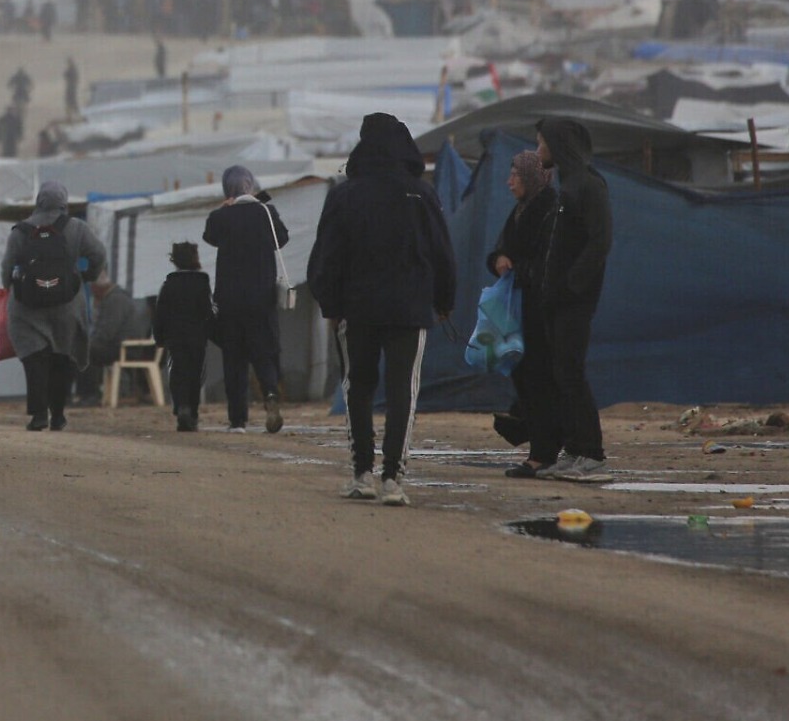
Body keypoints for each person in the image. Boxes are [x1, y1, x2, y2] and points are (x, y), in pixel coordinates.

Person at [307, 114, 456, 507]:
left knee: (358, 388)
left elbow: (327, 256)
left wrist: (331, 304)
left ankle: (362, 474)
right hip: (410, 309)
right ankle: (394, 478)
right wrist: (444, 301)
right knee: (402, 392)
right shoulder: (420, 195)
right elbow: (442, 253)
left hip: (358, 310)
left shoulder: (344, 194)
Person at [535, 117, 613, 481]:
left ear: (558, 145)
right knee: (560, 374)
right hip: (557, 300)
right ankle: (575, 448)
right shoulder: (566, 185)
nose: (538, 152)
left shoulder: (588, 185)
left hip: (574, 301)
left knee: (572, 372)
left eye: (541, 144)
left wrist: (572, 284)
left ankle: (593, 454)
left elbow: (600, 241)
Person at [0, 182, 106, 431]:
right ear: (64, 203)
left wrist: (10, 289)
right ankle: (58, 415)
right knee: (62, 358)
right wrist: (86, 276)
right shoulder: (77, 228)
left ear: (38, 202)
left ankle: (39, 415)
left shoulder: (20, 231)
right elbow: (99, 254)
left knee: (34, 359)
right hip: (67, 305)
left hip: (26, 307)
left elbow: (7, 267)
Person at [202, 165, 292, 434]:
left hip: (230, 300)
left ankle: (238, 420)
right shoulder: (267, 213)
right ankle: (271, 394)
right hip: (262, 298)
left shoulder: (222, 216)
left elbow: (210, 237)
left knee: (235, 359)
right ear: (251, 185)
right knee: (263, 353)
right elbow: (282, 239)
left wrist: (223, 209)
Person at [487, 150, 560, 478]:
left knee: (539, 378)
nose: (509, 181)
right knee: (525, 375)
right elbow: (501, 249)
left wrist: (514, 264)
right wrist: (499, 260)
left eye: (515, 174)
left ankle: (543, 453)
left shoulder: (548, 209)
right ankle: (540, 449)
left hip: (540, 307)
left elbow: (546, 258)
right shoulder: (522, 210)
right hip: (518, 305)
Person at [153, 242, 214, 432]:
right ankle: (192, 413)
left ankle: (181, 407)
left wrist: (159, 337)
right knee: (195, 374)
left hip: (175, 337)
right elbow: (208, 310)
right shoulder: (202, 282)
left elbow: (159, 313)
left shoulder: (169, 284)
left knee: (178, 372)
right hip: (197, 336)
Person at [74, 272, 151, 406]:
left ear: (99, 288)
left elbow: (107, 332)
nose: (92, 293)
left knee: (86, 351)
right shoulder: (115, 297)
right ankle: (87, 394)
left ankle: (91, 395)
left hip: (125, 349)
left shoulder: (115, 300)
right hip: (121, 346)